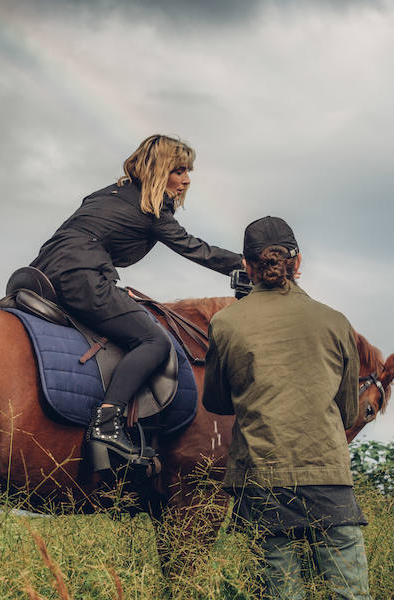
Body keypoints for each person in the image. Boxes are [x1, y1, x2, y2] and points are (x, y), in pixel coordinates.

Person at [30, 134, 243, 469]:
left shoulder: (106, 194)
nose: (186, 179)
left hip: (44, 271)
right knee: (153, 340)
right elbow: (193, 247)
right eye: (178, 170)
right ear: (159, 170)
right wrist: (245, 264)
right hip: (82, 274)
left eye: (188, 171)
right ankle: (107, 421)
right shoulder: (152, 206)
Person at [202, 216, 371, 600]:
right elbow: (347, 412)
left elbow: (214, 401)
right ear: (298, 263)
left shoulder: (226, 323)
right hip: (328, 478)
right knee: (350, 594)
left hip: (261, 480)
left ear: (246, 266)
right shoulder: (336, 322)